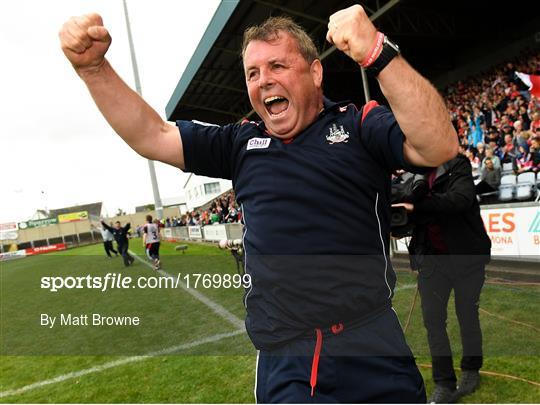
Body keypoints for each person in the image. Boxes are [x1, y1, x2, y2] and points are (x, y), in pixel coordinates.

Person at [60, 5, 458, 402]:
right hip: (288, 360)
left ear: (315, 72)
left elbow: (439, 145)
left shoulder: (357, 124)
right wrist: (94, 69)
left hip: (373, 343)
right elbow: (152, 134)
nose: (264, 81)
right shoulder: (240, 143)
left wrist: (377, 52)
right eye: (253, 73)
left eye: (277, 66)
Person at [393, 154, 491, 403]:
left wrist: (418, 206)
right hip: (433, 261)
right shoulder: (415, 174)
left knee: (467, 314)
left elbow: (460, 199)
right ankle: (444, 383)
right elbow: (413, 216)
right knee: (433, 321)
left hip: (465, 257)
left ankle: (471, 370)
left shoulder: (458, 163)